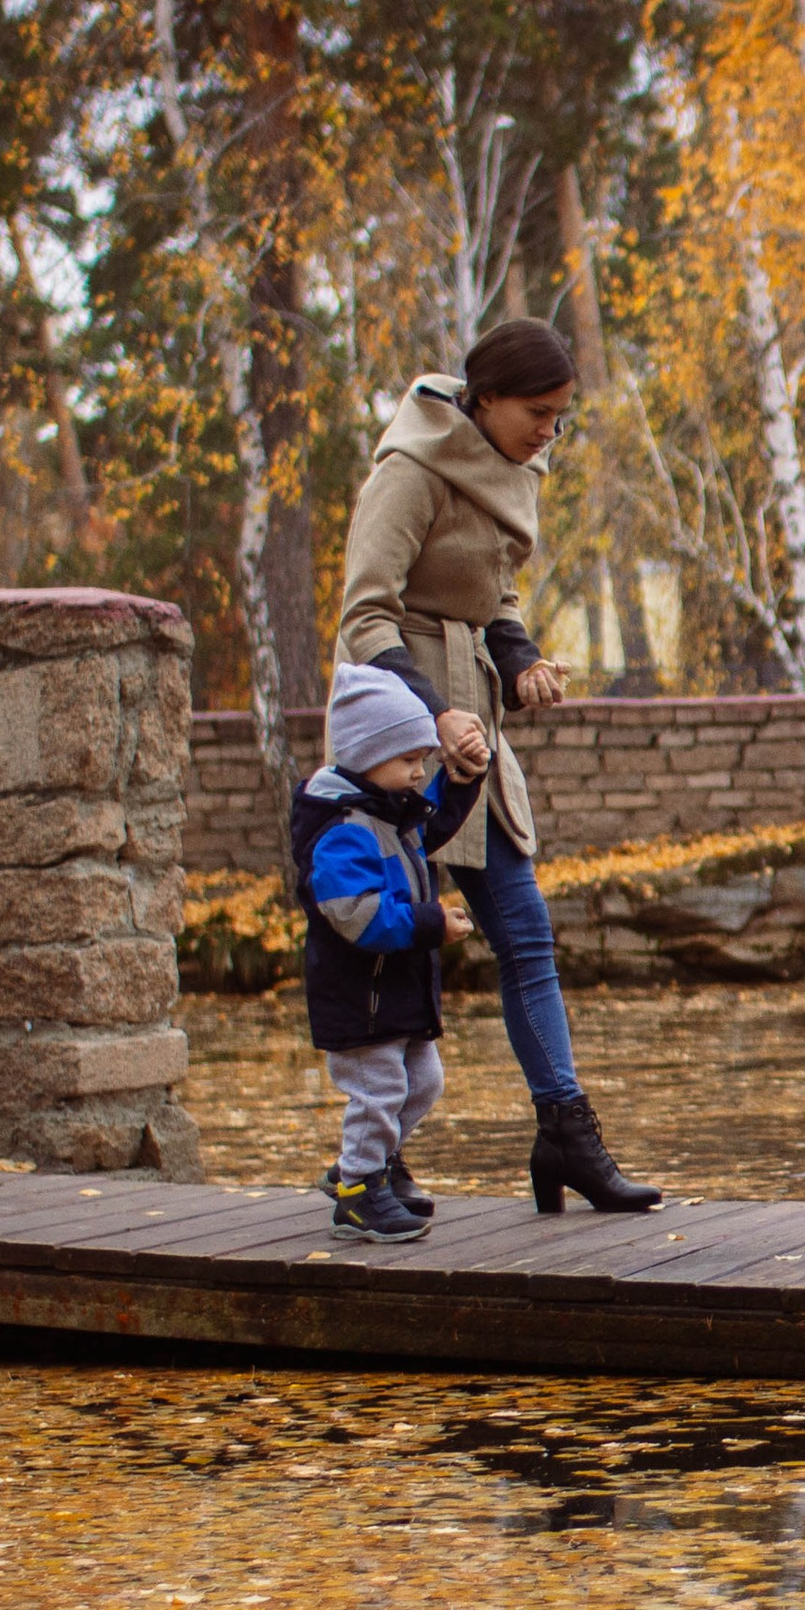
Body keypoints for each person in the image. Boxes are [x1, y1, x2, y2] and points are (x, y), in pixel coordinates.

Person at [335, 317, 660, 1214]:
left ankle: (566, 1134)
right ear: (483, 400)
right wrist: (428, 712)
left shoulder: (515, 473)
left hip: (473, 728)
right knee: (386, 953)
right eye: (538, 413)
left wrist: (520, 662)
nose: (549, 432)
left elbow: (496, 594)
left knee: (526, 938)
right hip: (393, 737)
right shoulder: (409, 472)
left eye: (561, 417)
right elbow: (365, 616)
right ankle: (373, 1165)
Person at [295, 666, 485, 1244]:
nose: (418, 773)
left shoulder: (388, 813)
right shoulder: (343, 830)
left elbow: (434, 818)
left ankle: (361, 1164)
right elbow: (356, 915)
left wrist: (464, 778)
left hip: (394, 990)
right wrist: (430, 923)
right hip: (360, 994)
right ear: (366, 756)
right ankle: (357, 1195)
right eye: (409, 761)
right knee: (379, 1090)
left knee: (422, 1082)